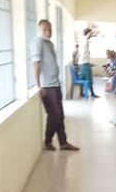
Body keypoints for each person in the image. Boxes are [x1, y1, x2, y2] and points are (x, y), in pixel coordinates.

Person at [29, 19, 80, 151]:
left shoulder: (50, 44)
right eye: (44, 29)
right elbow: (36, 64)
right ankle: (48, 141)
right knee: (54, 115)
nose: (48, 32)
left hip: (55, 84)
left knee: (60, 115)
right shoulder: (37, 42)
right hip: (47, 87)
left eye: (49, 29)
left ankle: (63, 143)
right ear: (39, 30)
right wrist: (39, 86)